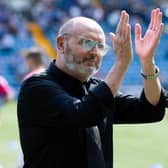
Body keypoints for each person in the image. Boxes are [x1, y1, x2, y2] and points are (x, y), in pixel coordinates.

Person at [17, 8, 166, 168]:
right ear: (61, 44)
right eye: (88, 43)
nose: (95, 52)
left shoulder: (95, 88)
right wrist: (121, 64)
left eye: (101, 47)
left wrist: (147, 61)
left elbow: (150, 110)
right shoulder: (36, 87)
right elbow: (83, 114)